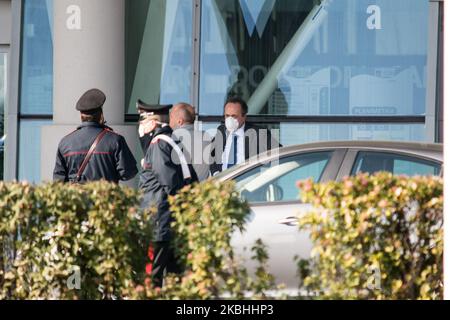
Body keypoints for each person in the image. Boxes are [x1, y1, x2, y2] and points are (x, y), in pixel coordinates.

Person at [137, 99, 198, 288]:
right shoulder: (170, 141)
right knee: (174, 279)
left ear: (152, 123)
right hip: (170, 222)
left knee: (150, 280)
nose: (140, 127)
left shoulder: (158, 144)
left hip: (159, 223)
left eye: (142, 122)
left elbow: (170, 183)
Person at [53, 88, 138, 183]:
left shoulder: (65, 142)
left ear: (81, 115)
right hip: (106, 197)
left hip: (76, 197)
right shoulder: (115, 140)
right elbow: (128, 173)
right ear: (101, 114)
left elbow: (58, 181)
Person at [210, 96, 281, 176]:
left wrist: (263, 173)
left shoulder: (260, 134)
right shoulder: (221, 130)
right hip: (224, 184)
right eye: (227, 115)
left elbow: (280, 153)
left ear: (244, 117)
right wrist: (216, 173)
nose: (229, 120)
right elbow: (211, 155)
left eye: (234, 116)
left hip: (248, 183)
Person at [169, 103, 211, 182]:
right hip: (203, 190)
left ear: (179, 121)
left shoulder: (172, 139)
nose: (169, 120)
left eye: (171, 117)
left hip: (182, 191)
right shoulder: (206, 137)